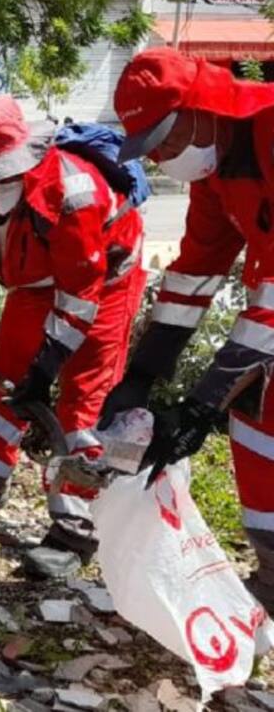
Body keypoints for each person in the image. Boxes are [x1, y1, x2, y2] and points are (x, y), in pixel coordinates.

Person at [0, 96, 146, 561]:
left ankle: (76, 524)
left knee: (83, 401)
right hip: (32, 283)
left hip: (106, 281)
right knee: (5, 374)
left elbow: (81, 295)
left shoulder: (73, 194)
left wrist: (49, 364)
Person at [99, 47, 274, 608]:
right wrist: (143, 374)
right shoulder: (218, 173)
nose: (165, 159)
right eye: (154, 152)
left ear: (202, 109)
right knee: (256, 424)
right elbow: (196, 273)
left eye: (168, 142)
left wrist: (202, 404)